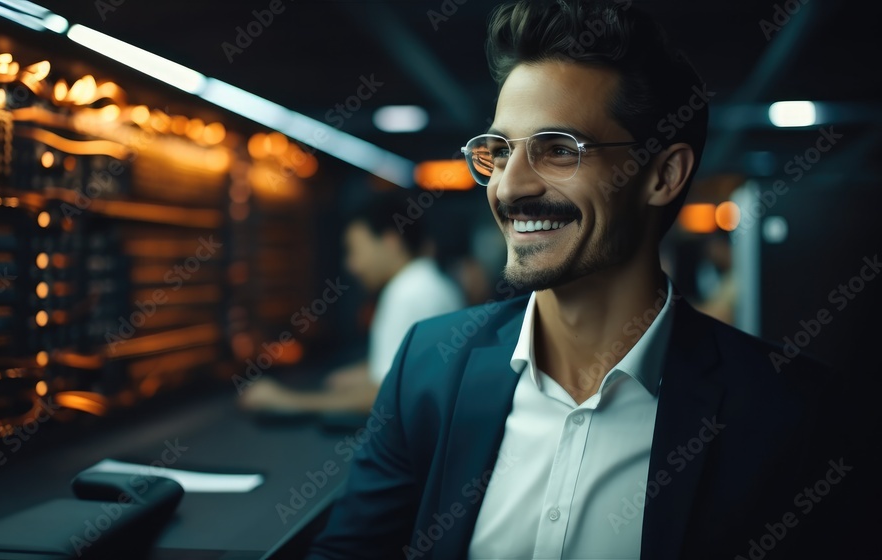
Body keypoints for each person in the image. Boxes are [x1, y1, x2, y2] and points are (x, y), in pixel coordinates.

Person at [306, 1, 851, 559]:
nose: (509, 187)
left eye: (559, 150)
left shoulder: (789, 412)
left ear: (662, 175)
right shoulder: (430, 366)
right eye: (499, 151)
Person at [239, 191, 464, 414]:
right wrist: (366, 373)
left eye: (356, 250)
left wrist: (288, 401)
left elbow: (386, 396)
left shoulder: (407, 292)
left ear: (390, 242)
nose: (352, 265)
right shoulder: (426, 281)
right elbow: (412, 370)